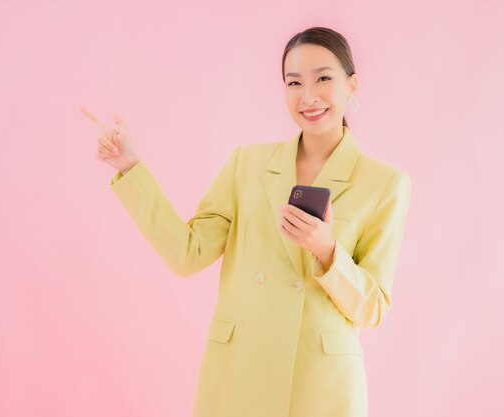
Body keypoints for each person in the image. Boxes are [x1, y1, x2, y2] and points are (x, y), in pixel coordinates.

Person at [82, 26, 411, 417]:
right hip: (240, 371)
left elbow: (373, 307)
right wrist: (130, 167)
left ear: (351, 85)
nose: (308, 97)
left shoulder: (384, 183)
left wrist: (327, 250)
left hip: (320, 383)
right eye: (294, 82)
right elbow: (188, 253)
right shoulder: (247, 164)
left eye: (324, 78)